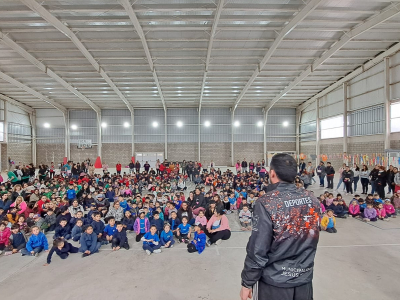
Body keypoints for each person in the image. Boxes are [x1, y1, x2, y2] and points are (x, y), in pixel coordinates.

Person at [240, 153, 320, 300]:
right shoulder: (312, 199)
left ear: (272, 173)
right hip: (304, 280)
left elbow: (258, 248)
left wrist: (247, 282)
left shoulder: (267, 202)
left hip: (275, 282)